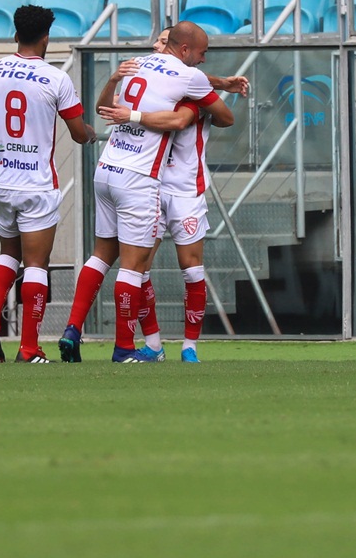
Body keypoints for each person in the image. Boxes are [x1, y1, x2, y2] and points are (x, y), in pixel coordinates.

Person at [57, 21, 235, 363]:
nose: (203, 60)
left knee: (102, 255)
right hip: (140, 178)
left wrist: (119, 94)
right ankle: (128, 347)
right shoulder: (187, 77)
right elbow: (209, 111)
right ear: (184, 50)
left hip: (108, 168)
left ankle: (74, 329)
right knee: (134, 268)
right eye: (201, 53)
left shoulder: (137, 65)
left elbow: (103, 108)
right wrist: (139, 114)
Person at [98, 29, 249, 363]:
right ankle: (153, 344)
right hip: (148, 184)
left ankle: (190, 347)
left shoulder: (189, 83)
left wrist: (215, 88)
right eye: (157, 41)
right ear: (183, 49)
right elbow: (184, 97)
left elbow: (220, 116)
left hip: (184, 189)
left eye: (162, 41)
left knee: (191, 268)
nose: (156, 46)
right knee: (140, 268)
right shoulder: (173, 78)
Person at [0, 4, 96, 363]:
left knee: (8, 254)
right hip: (37, 184)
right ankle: (29, 347)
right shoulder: (56, 79)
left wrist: (0, 136)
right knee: (37, 264)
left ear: (15, 34)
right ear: (46, 37)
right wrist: (92, 134)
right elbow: (78, 132)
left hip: (1, 181)